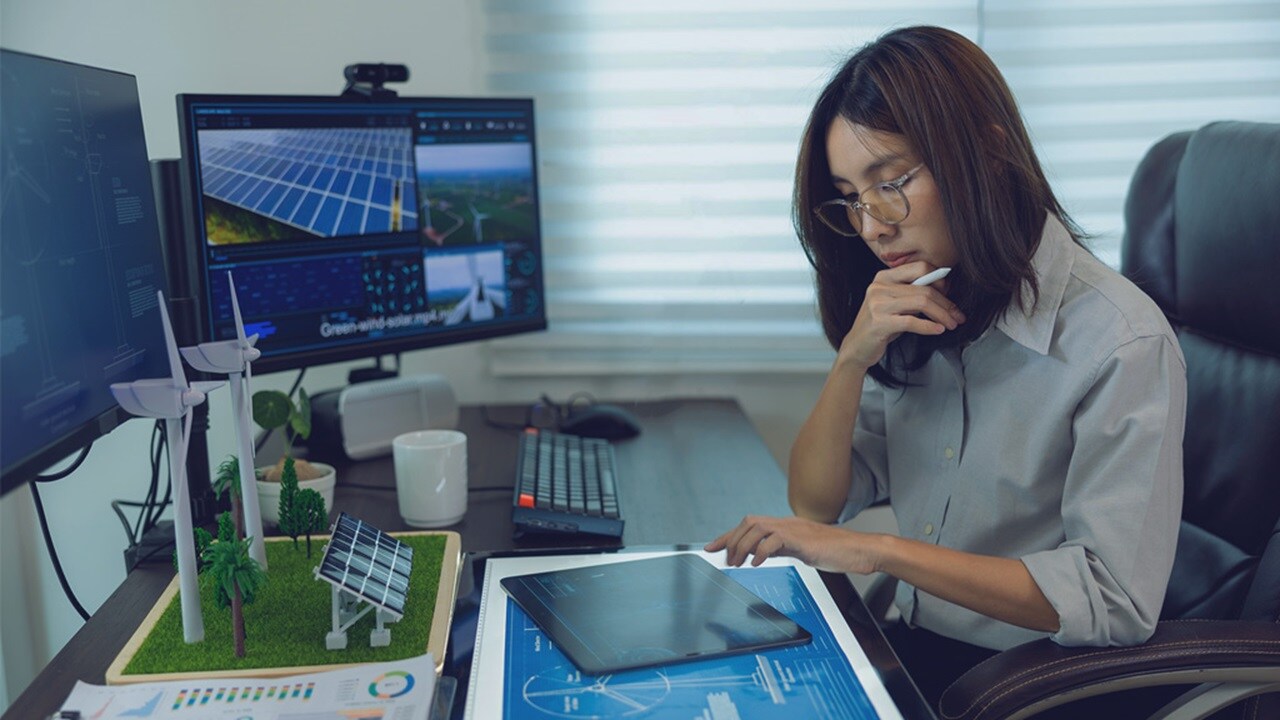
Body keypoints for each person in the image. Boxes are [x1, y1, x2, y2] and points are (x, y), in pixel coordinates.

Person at [705, 25, 1186, 707]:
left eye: (890, 181)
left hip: (1039, 684)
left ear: (987, 151)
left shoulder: (1121, 341)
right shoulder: (921, 302)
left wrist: (880, 553)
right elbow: (818, 503)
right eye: (850, 196)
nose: (872, 224)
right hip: (924, 649)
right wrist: (851, 361)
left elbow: (1112, 599)